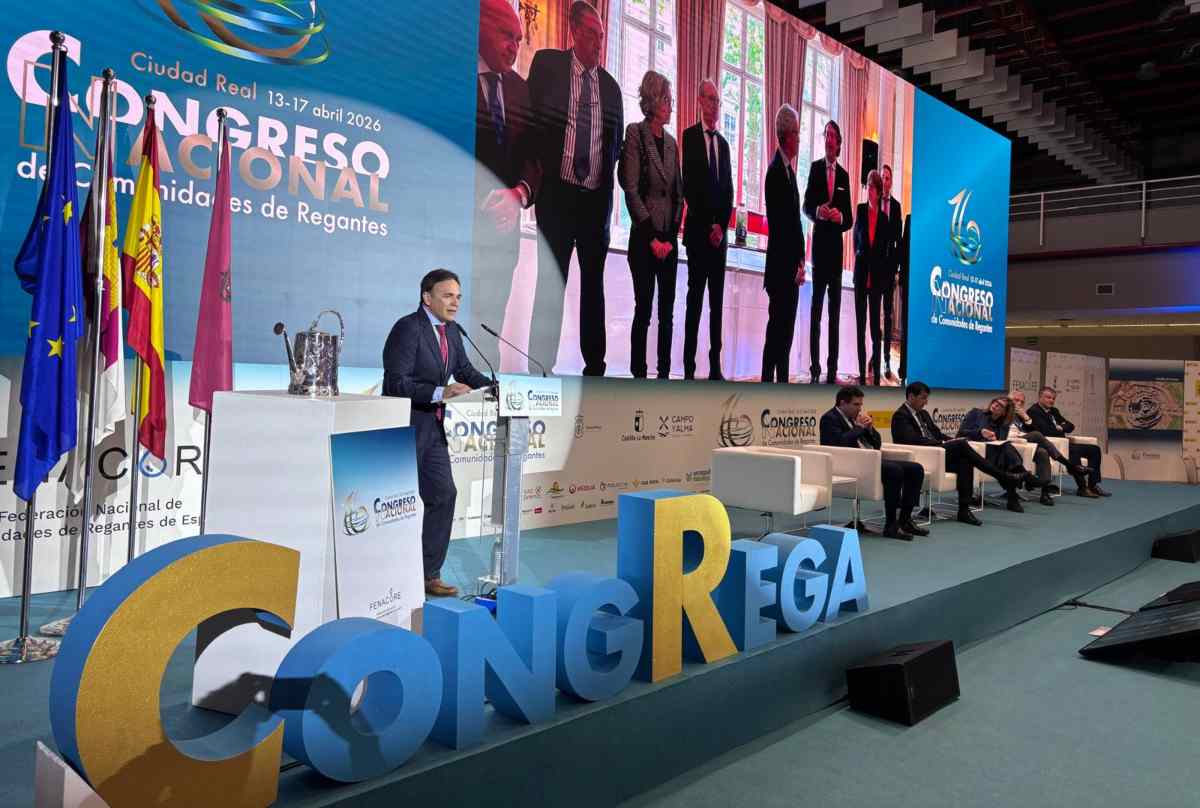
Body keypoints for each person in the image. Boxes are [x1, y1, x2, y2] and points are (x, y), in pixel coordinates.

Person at [382, 269, 493, 597]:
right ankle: (387, 575)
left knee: (444, 494)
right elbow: (395, 382)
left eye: (458, 296)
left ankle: (428, 574)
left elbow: (466, 371)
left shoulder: (453, 331)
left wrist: (498, 388)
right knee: (394, 504)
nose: (455, 302)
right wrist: (439, 393)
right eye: (447, 295)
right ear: (426, 298)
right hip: (404, 428)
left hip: (433, 429)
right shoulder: (408, 328)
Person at [527, 0, 623, 376]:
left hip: (594, 203)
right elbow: (533, 125)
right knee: (551, 282)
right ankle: (539, 365)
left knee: (593, 289)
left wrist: (601, 188)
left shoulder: (612, 89)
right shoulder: (548, 66)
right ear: (574, 32)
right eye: (592, 35)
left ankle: (595, 365)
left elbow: (613, 145)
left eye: (601, 37)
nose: (598, 43)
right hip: (557, 196)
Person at [473, 0, 542, 371]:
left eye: (518, 39)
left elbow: (535, 159)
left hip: (505, 233)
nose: (514, 47)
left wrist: (518, 194)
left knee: (489, 327)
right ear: (480, 25)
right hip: (459, 231)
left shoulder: (520, 89)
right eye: (506, 35)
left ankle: (486, 394)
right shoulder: (449, 77)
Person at [619, 70, 683, 379]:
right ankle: (638, 376)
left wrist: (669, 239)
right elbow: (630, 189)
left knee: (667, 315)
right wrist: (652, 239)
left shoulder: (672, 143)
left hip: (669, 242)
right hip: (644, 240)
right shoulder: (635, 133)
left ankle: (664, 375)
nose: (671, 105)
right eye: (667, 99)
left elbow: (678, 196)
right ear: (653, 100)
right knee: (643, 310)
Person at [891, 381, 1024, 526]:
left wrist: (950, 441)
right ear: (911, 396)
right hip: (922, 455)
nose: (926, 402)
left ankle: (964, 510)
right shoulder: (901, 415)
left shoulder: (923, 414)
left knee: (964, 461)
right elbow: (911, 440)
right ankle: (1003, 476)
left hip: (937, 452)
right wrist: (943, 444)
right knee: (962, 446)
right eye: (923, 398)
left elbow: (937, 433)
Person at [821, 385, 928, 540]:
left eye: (861, 405)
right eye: (856, 405)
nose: (859, 409)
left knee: (915, 469)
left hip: (868, 459)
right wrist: (858, 428)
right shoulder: (829, 419)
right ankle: (891, 525)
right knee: (894, 470)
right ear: (842, 403)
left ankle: (905, 520)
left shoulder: (855, 419)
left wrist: (870, 429)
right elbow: (838, 443)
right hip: (849, 464)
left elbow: (877, 444)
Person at [680, 78, 733, 381]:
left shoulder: (724, 146)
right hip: (699, 234)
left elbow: (727, 190)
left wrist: (721, 225)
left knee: (716, 303)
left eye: (717, 100)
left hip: (719, 237)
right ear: (700, 100)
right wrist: (708, 225)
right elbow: (690, 187)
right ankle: (689, 365)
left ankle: (715, 365)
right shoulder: (688, 137)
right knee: (695, 300)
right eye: (710, 99)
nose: (714, 105)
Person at [803, 120, 853, 384]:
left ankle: (832, 369)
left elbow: (850, 220)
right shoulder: (814, 169)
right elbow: (806, 206)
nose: (829, 139)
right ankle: (814, 368)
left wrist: (839, 216)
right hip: (819, 254)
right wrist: (818, 212)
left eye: (833, 135)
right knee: (816, 312)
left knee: (834, 315)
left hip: (836, 256)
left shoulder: (844, 176)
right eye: (826, 135)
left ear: (840, 144)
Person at [761, 103, 805, 384]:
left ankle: (782, 383)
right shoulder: (775, 172)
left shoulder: (789, 171)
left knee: (785, 334)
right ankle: (768, 385)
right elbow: (781, 229)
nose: (799, 139)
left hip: (791, 269)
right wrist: (793, 266)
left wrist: (801, 262)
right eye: (797, 133)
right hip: (780, 271)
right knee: (776, 333)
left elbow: (797, 224)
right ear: (786, 135)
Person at [957, 396, 1051, 510]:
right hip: (976, 452)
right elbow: (961, 434)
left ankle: (1017, 489)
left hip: (994, 454)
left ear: (1004, 412)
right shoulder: (976, 413)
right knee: (1006, 450)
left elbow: (999, 441)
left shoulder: (1003, 424)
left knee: (1005, 450)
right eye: (995, 402)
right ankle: (1019, 486)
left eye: (1000, 405)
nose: (995, 405)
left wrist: (992, 438)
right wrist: (980, 432)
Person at [1025, 386, 1110, 497]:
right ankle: (1082, 488)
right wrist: (1060, 427)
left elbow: (1070, 426)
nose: (1051, 400)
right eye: (1048, 397)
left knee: (1094, 450)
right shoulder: (1033, 411)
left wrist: (1061, 428)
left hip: (1065, 443)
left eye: (1053, 398)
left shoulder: (1054, 411)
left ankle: (1093, 485)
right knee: (1074, 452)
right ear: (1040, 397)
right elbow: (1045, 431)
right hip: (1054, 446)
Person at [1009, 389, 1094, 497]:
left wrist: (1025, 417)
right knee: (1036, 434)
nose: (1019, 403)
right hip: (1010, 443)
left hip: (1025, 444)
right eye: (1016, 400)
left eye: (1022, 401)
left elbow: (1070, 425)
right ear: (1008, 400)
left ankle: (1044, 493)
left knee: (1043, 452)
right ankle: (1070, 465)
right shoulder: (1004, 412)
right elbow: (1040, 431)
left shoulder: (1023, 415)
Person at [852, 169, 889, 386]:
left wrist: (883, 278)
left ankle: (875, 374)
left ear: (878, 190)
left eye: (873, 187)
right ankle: (861, 371)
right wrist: (861, 254)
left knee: (875, 328)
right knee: (860, 325)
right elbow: (857, 240)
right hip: (860, 275)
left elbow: (884, 251)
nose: (870, 190)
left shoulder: (883, 219)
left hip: (876, 280)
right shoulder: (860, 210)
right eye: (868, 186)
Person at [880, 165, 902, 382]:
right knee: (872, 317)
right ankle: (873, 356)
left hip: (888, 269)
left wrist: (895, 267)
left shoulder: (895, 207)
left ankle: (886, 359)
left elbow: (898, 239)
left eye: (888, 178)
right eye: (883, 178)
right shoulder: (873, 204)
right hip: (874, 268)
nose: (885, 182)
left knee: (888, 315)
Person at [897, 212, 911, 382]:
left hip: (929, 285)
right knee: (906, 328)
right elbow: (903, 250)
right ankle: (903, 370)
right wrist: (901, 281)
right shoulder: (909, 219)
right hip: (908, 282)